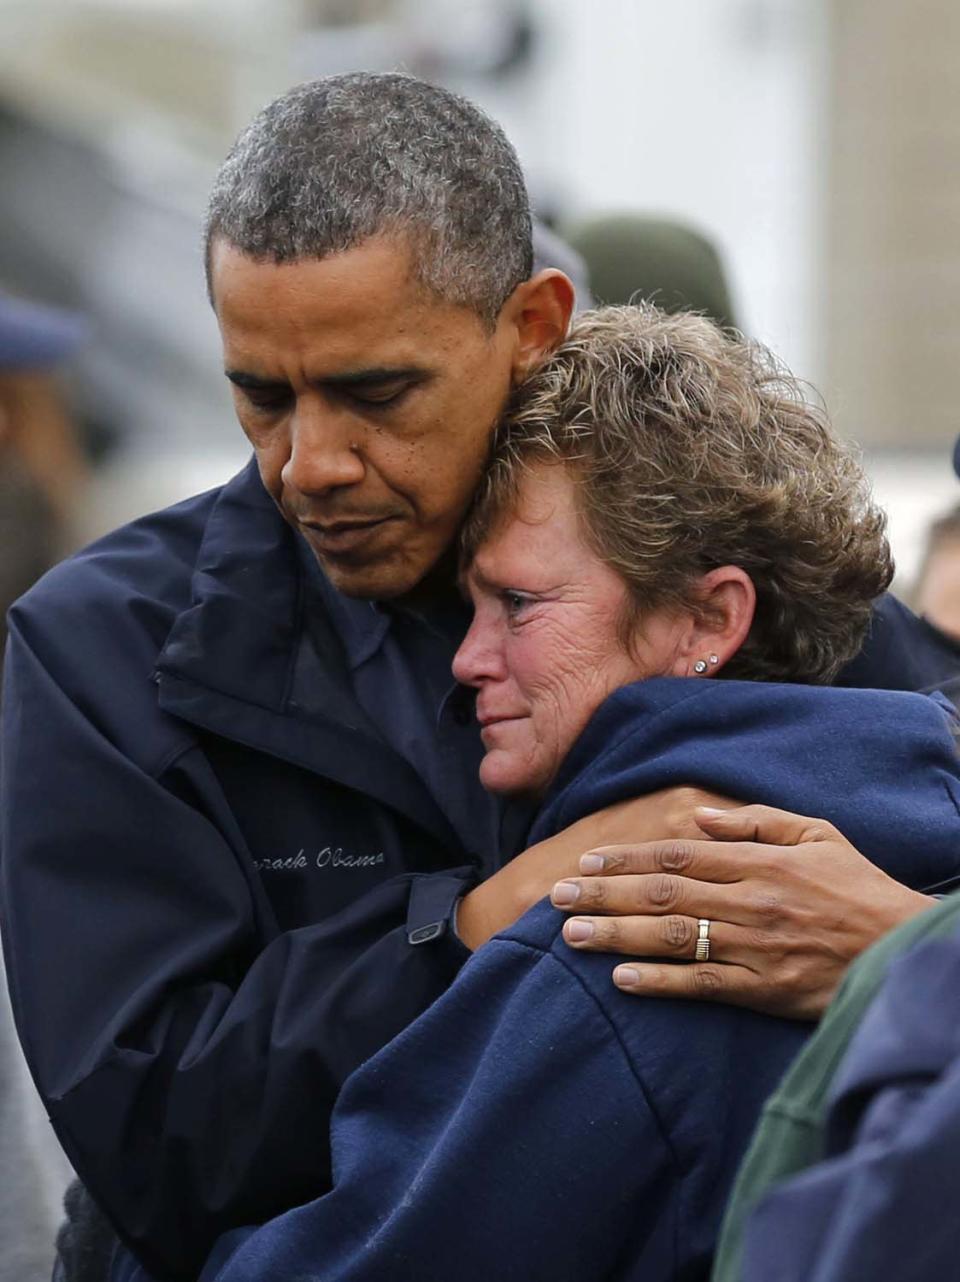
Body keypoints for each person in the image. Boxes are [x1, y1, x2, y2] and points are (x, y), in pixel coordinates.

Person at [0, 74, 950, 1280]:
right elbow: (151, 1144)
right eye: (260, 395)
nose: (311, 462)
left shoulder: (736, 569)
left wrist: (910, 946)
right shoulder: (104, 649)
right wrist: (472, 923)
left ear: (536, 324)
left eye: (375, 392)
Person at [145, 304, 960, 1282]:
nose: (466, 659)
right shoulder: (928, 858)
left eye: (519, 605)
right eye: (472, 603)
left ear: (709, 615)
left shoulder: (621, 944)